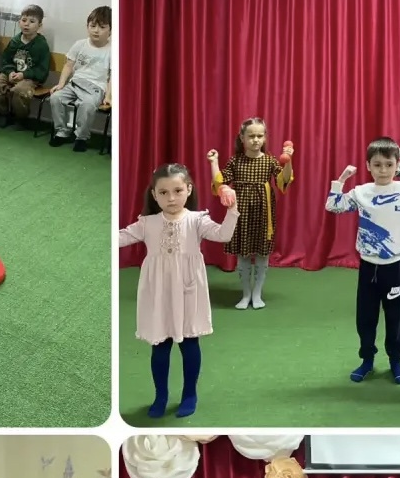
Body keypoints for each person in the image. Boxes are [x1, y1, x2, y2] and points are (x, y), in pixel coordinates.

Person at [118, 163, 239, 418]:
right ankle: (160, 396)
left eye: (177, 191)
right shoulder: (147, 223)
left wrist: (232, 210)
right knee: (160, 345)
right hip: (158, 292)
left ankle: (189, 394)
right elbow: (120, 237)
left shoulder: (197, 220)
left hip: (188, 290)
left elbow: (224, 235)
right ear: (154, 194)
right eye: (163, 192)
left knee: (190, 342)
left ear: (188, 190)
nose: (171, 198)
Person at [327, 139, 400, 385]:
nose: (383, 170)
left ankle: (395, 361)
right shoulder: (361, 192)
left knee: (395, 318)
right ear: (368, 166)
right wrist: (341, 180)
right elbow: (333, 205)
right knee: (365, 318)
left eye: (389, 164)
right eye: (377, 164)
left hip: (395, 267)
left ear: (397, 165)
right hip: (368, 268)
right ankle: (367, 360)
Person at [208, 119, 294, 309]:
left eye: (260, 136)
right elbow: (220, 182)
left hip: (264, 213)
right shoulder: (235, 161)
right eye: (251, 136)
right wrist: (214, 162)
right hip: (241, 213)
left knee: (262, 254)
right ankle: (246, 293)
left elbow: (284, 181)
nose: (256, 140)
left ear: (265, 138)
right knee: (243, 254)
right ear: (242, 138)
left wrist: (288, 160)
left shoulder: (270, 160)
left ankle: (257, 293)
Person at [48, 5, 112, 152]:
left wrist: (108, 96)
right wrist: (61, 84)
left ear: (110, 30)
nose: (96, 30)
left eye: (102, 27)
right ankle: (62, 131)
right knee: (55, 98)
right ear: (87, 27)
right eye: (92, 26)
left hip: (95, 88)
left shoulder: (113, 50)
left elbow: (113, 76)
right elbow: (68, 65)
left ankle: (81, 137)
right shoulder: (80, 44)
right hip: (75, 84)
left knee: (87, 105)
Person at [0, 4, 51, 128]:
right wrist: (10, 72)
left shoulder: (41, 45)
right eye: (24, 20)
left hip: (30, 78)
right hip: (11, 74)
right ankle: (3, 113)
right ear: (19, 22)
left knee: (20, 90)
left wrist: (24, 75)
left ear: (39, 26)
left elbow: (42, 70)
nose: (26, 24)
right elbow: (6, 60)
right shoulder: (15, 41)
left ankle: (20, 118)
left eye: (32, 21)